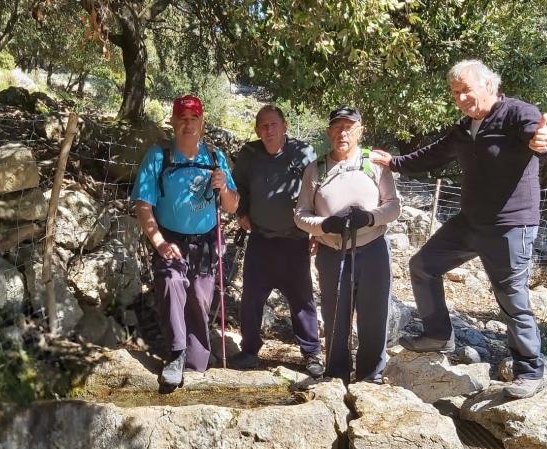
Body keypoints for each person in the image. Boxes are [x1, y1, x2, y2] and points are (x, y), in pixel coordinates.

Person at [369, 59, 547, 398]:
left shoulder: (518, 113)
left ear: (489, 85)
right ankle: (438, 334)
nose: (460, 98)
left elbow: (546, 140)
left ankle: (530, 370)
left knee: (511, 298)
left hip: (509, 225)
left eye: (465, 91)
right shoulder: (463, 128)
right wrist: (394, 163)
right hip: (470, 222)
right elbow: (433, 154)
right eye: (455, 93)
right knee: (422, 266)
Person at [132, 94, 239, 390]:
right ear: (173, 122)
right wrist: (159, 242)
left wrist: (223, 187)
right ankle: (176, 354)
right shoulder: (159, 156)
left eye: (193, 119)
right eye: (182, 119)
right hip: (171, 239)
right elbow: (143, 205)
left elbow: (231, 205)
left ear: (202, 123)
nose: (188, 124)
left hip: (205, 243)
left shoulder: (215, 158)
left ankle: (196, 364)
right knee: (170, 282)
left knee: (199, 303)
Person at [295, 107, 401, 384]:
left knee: (374, 315)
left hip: (373, 248)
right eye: (338, 127)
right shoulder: (315, 169)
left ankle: (370, 376)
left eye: (349, 127)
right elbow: (300, 215)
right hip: (332, 252)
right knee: (335, 316)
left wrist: (369, 218)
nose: (343, 133)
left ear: (360, 132)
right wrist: (324, 225)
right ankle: (336, 374)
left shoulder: (375, 164)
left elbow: (393, 207)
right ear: (329, 131)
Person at [226, 105, 324, 378]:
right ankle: (249, 350)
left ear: (284, 126)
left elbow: (317, 193)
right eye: (262, 126)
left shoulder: (303, 153)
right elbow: (238, 188)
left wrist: (317, 232)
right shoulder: (250, 154)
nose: (268, 130)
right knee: (251, 299)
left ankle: (311, 353)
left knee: (302, 300)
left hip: (295, 242)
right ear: (257, 130)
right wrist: (242, 213)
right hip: (261, 239)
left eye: (273, 125)